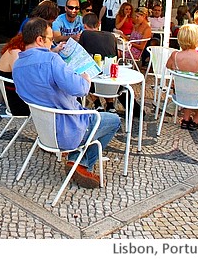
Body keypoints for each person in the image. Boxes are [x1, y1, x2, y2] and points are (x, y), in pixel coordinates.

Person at [12, 17, 121, 189]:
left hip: (45, 132)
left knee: (89, 114)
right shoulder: (51, 61)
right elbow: (81, 90)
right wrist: (85, 79)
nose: (51, 44)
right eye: (50, 39)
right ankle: (82, 162)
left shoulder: (17, 65)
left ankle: (76, 158)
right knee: (114, 121)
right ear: (40, 40)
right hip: (69, 130)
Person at [166, 24, 198, 130]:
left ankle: (186, 119)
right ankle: (196, 120)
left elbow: (168, 66)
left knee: (188, 87)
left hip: (179, 94)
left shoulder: (175, 55)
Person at [79, 13, 119, 113]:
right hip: (111, 78)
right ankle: (110, 105)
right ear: (98, 24)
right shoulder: (111, 36)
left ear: (84, 26)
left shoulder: (85, 34)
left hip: (93, 79)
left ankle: (97, 103)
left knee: (82, 72)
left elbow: (80, 55)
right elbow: (117, 55)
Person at [0, 34, 29, 117]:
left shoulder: (14, 50)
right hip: (17, 103)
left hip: (17, 96)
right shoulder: (16, 53)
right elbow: (22, 78)